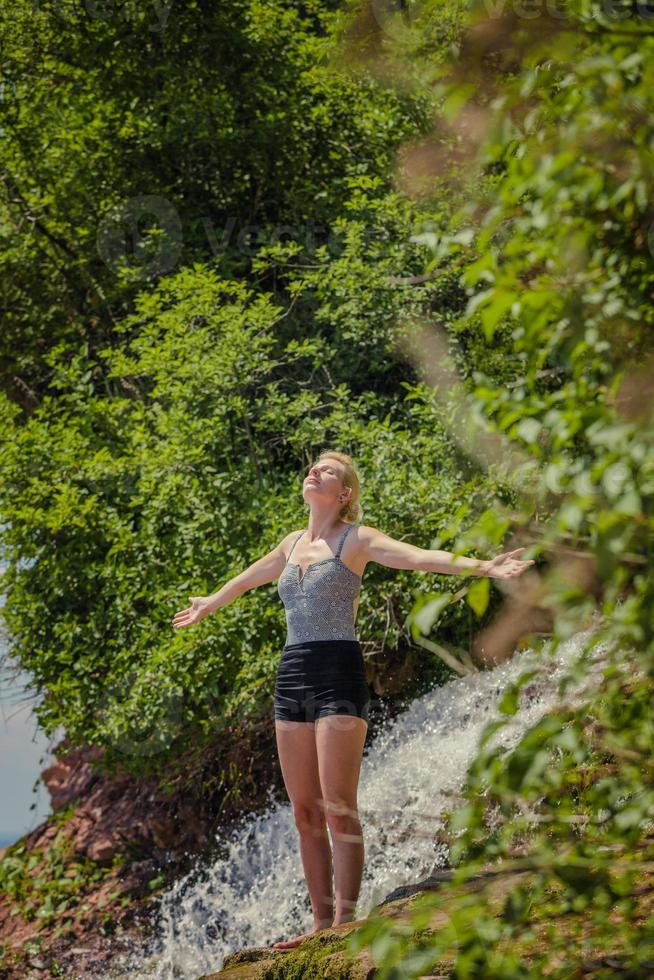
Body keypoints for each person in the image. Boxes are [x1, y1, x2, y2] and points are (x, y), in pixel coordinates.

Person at [171, 450, 535, 950]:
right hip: (291, 673)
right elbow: (249, 578)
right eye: (313, 467)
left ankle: (345, 919)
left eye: (329, 471)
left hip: (338, 673)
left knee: (338, 805)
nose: (315, 472)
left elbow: (417, 556)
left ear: (344, 495)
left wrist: (484, 566)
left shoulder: (356, 539)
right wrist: (211, 602)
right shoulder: (291, 542)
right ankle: (320, 926)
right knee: (304, 810)